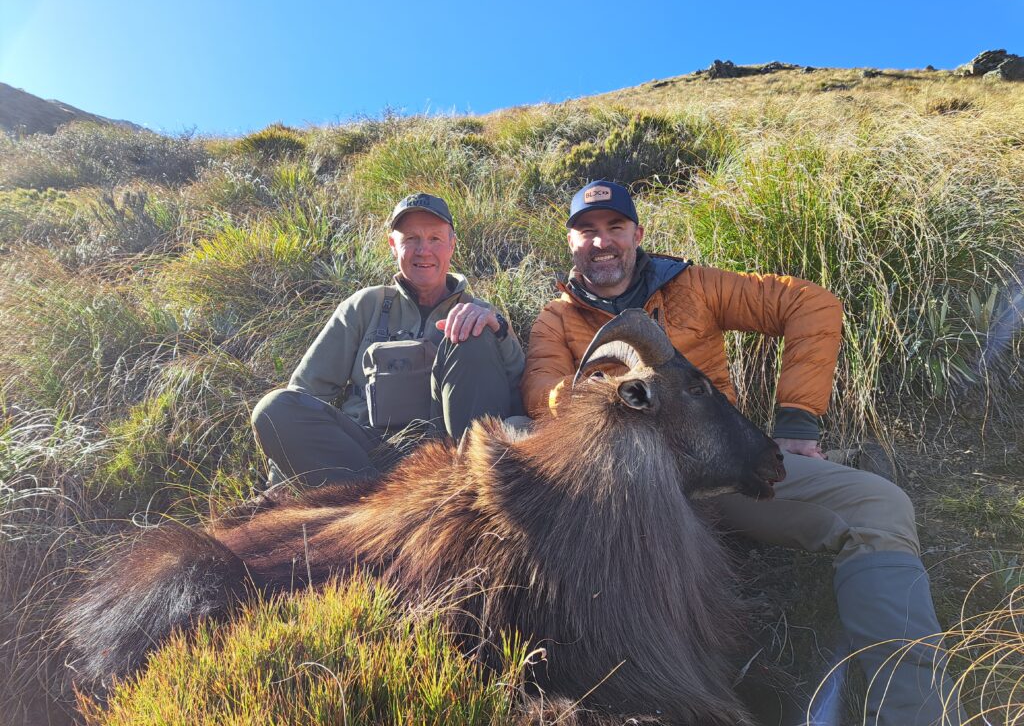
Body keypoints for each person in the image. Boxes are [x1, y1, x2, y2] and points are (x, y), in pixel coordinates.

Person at [521, 179, 963, 726]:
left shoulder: (694, 285)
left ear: (637, 233)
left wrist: (798, 421)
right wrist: (605, 398)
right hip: (626, 492)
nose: (602, 242)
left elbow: (812, 304)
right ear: (571, 242)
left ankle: (914, 714)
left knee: (879, 508)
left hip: (722, 469)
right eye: (587, 231)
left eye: (615, 228)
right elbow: (543, 390)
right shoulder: (555, 319)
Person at [252, 192, 524, 488]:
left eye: (434, 238)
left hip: (450, 460)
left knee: (473, 333)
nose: (423, 250)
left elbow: (517, 390)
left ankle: (469, 494)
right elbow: (307, 392)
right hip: (365, 460)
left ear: (451, 245)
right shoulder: (365, 305)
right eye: (411, 239)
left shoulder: (479, 313)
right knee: (274, 408)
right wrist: (277, 484)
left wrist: (497, 329)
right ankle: (371, 508)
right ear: (393, 245)